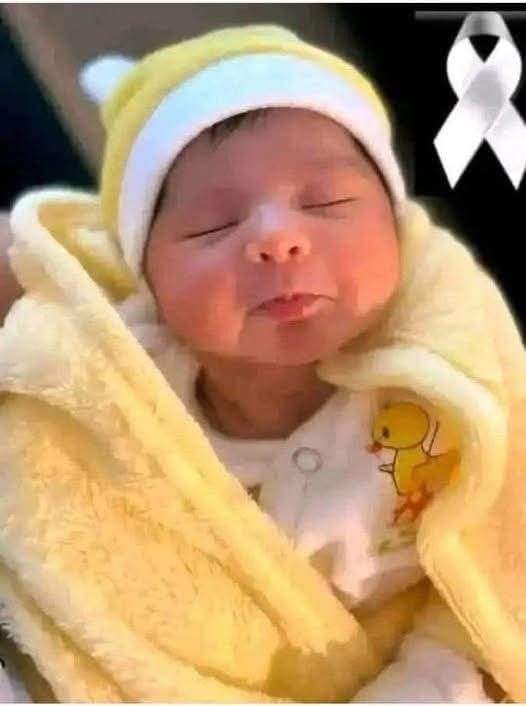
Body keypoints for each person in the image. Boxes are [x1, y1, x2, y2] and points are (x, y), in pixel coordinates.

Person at [0, 23, 520, 702]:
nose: (278, 239)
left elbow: (501, 576)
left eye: (327, 202)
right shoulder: (103, 373)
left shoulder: (449, 378)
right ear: (146, 277)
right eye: (212, 226)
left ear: (397, 230)